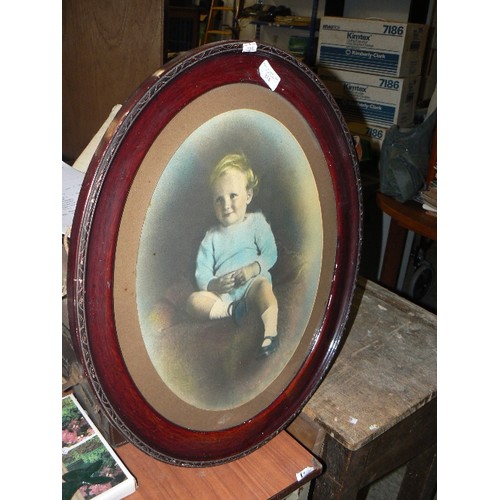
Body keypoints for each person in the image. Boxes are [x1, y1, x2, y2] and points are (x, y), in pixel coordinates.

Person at [186, 153, 279, 358]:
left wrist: (252, 269)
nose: (226, 204)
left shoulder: (256, 222)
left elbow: (271, 254)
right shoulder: (210, 237)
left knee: (263, 287)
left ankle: (270, 333)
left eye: (232, 196)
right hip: (224, 296)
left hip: (251, 283)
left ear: (248, 195)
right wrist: (214, 285)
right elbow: (202, 273)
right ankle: (231, 310)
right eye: (219, 199)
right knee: (193, 301)